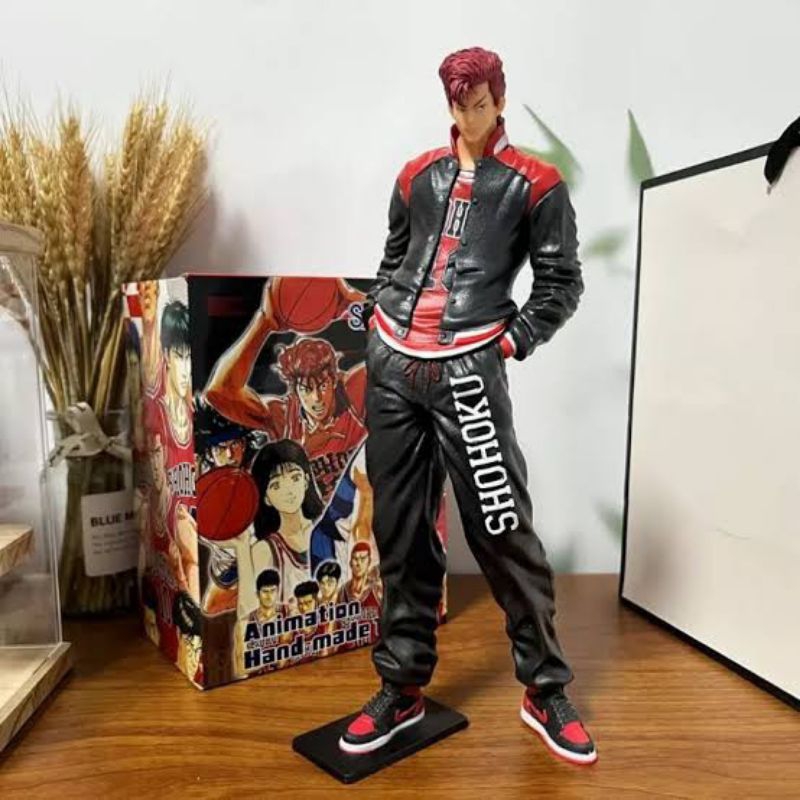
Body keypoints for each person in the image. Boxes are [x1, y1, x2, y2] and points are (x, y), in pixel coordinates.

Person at [339, 47, 595, 765]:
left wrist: (510, 343)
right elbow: (393, 260)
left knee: (501, 525)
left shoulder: (537, 184)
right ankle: (401, 686)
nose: (468, 115)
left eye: (478, 102)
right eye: (457, 104)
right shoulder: (415, 175)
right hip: (394, 364)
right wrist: (380, 322)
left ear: (499, 100)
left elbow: (561, 281)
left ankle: (545, 688)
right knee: (399, 528)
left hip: (469, 367)